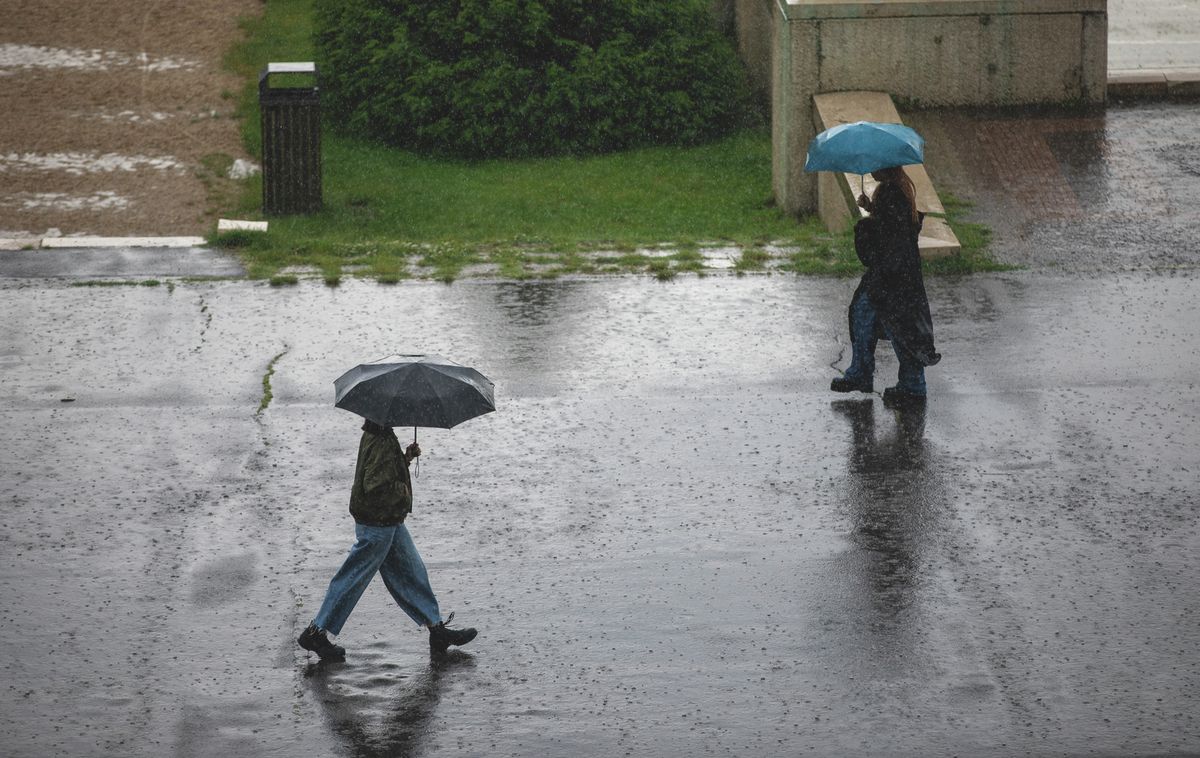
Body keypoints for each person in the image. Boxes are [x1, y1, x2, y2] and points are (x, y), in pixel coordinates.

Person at [298, 419, 477, 660]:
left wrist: (405, 458)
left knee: (413, 572)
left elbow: (382, 471)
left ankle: (437, 630)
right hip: (376, 525)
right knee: (352, 578)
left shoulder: (379, 434)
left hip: (388, 521)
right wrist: (402, 490)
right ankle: (315, 632)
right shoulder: (381, 440)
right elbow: (375, 485)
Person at [831, 165, 941, 407]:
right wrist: (871, 208)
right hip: (896, 273)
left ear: (886, 167)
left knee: (894, 325)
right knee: (878, 319)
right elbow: (894, 226)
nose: (870, 169)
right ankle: (872, 375)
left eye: (875, 165)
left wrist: (866, 225)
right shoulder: (896, 191)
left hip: (893, 275)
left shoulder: (892, 193)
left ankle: (907, 385)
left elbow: (889, 232)